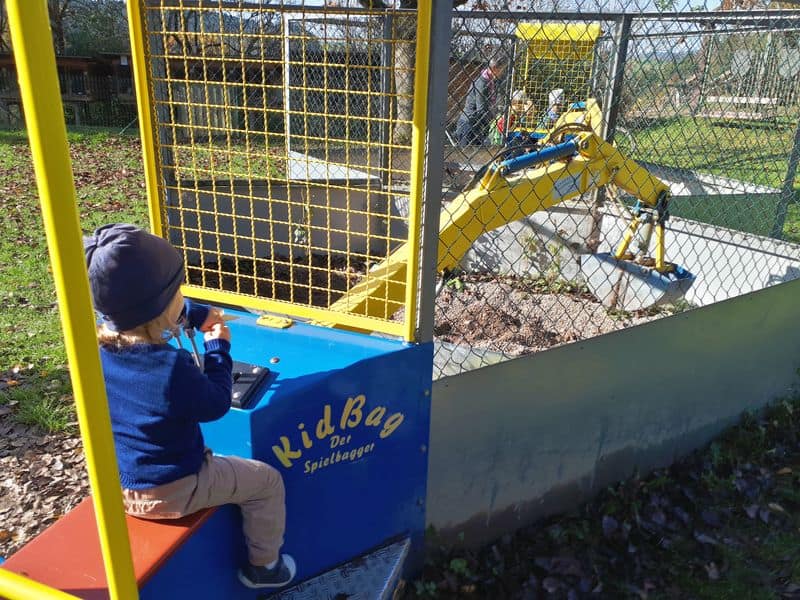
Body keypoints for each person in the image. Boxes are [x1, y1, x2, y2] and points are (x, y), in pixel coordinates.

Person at [83, 223, 296, 590]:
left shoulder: (90, 349)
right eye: (178, 291)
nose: (182, 296)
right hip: (171, 489)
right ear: (163, 306)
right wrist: (218, 348)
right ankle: (265, 568)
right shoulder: (170, 366)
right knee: (266, 481)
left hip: (115, 484)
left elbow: (149, 316)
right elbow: (214, 403)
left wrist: (195, 315)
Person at [456, 55, 507, 146]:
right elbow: (481, 109)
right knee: (466, 156)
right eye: (501, 70)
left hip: (478, 125)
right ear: (494, 69)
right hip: (469, 124)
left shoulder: (491, 82)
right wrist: (494, 120)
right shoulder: (482, 83)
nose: (501, 73)